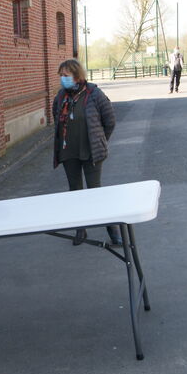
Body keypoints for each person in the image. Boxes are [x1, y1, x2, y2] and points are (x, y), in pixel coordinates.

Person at [52, 59, 121, 246]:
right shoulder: (60, 97)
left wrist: (100, 140)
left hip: (91, 152)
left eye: (65, 75)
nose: (62, 79)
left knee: (95, 193)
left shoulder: (94, 94)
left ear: (77, 75)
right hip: (68, 153)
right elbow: (57, 119)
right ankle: (80, 230)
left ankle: (113, 231)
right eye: (61, 76)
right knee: (75, 193)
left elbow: (110, 120)